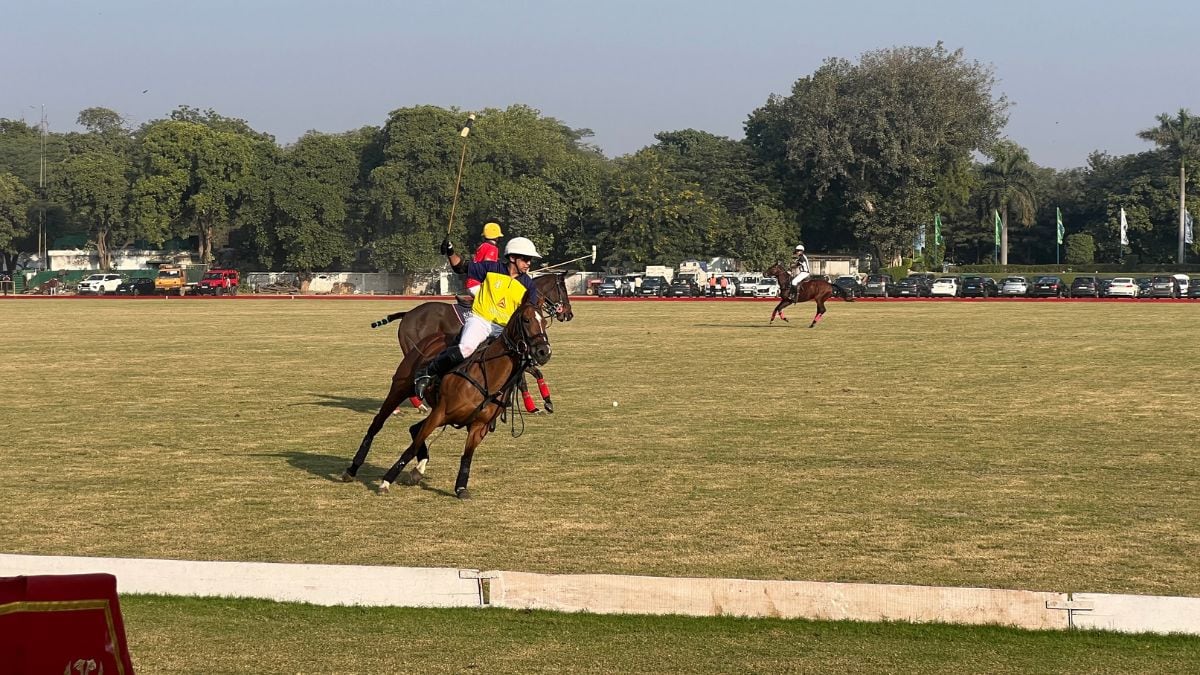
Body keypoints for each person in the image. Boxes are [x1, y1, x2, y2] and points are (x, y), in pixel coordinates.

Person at [414, 237, 542, 401]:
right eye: (525, 259)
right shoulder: (491, 268)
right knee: (466, 348)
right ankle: (427, 372)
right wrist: (451, 251)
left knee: (516, 361)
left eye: (530, 260)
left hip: (503, 329)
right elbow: (461, 267)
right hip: (481, 320)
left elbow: (529, 313)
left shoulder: (529, 285)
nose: (528, 263)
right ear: (512, 258)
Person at [442, 221, 503, 303]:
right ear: (497, 238)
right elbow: (488, 268)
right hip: (478, 285)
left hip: (471, 284)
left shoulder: (482, 246)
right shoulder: (492, 248)